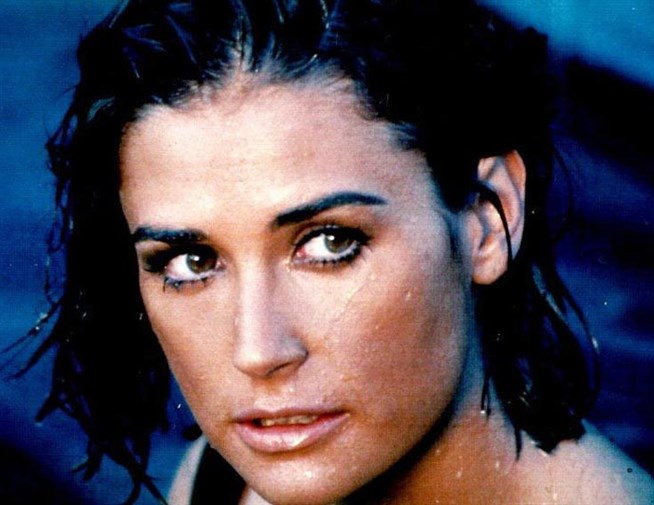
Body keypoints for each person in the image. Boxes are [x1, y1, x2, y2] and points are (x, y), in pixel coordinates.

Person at [24, 0, 653, 503]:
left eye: (330, 243)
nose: (257, 352)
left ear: (489, 220)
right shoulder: (222, 479)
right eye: (192, 262)